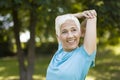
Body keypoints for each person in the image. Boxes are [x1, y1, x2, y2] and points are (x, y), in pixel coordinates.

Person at [46, 9, 97, 80]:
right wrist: (79, 14)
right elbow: (58, 19)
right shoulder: (61, 49)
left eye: (74, 30)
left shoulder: (85, 54)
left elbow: (92, 17)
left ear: (80, 33)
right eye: (64, 32)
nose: (70, 36)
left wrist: (89, 14)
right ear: (59, 37)